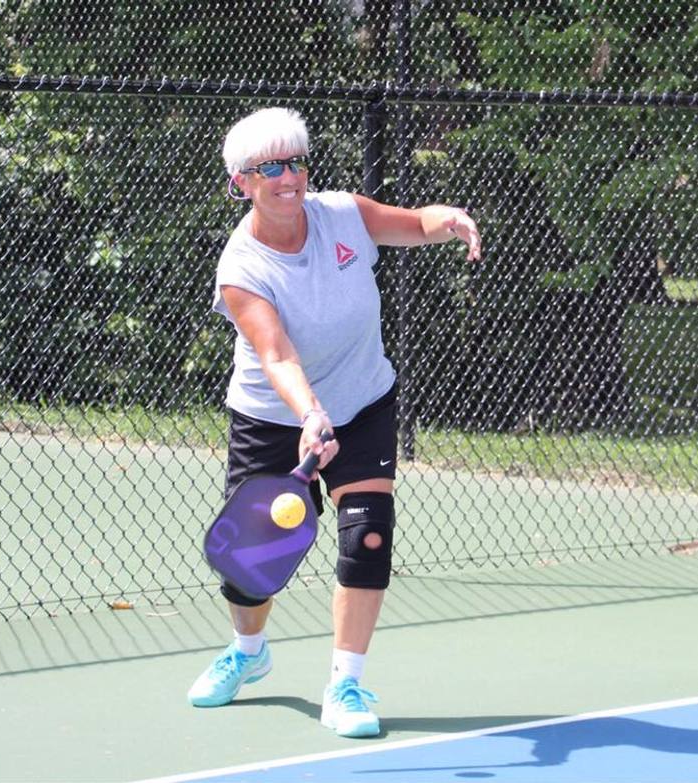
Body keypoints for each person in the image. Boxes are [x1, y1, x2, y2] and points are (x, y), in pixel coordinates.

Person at [187, 106, 481, 738]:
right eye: (271, 168)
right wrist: (308, 414)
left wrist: (447, 220)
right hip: (270, 418)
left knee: (368, 534)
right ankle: (248, 652)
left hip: (364, 400)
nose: (289, 177)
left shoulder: (342, 214)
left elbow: (412, 224)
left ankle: (344, 683)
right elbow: (276, 354)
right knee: (250, 567)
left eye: (296, 162)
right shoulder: (242, 269)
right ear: (242, 182)